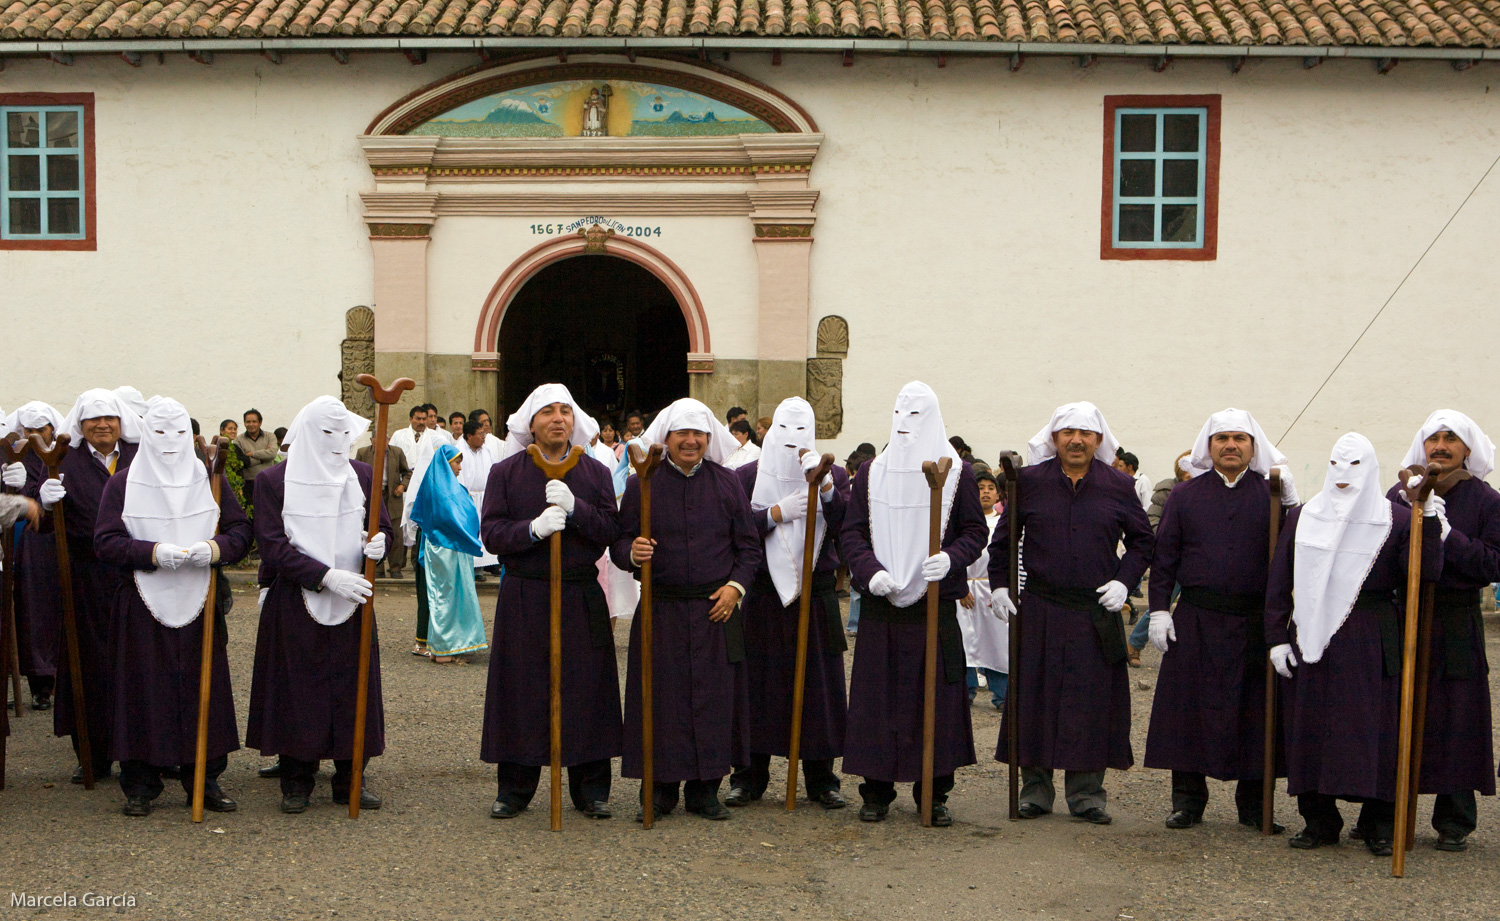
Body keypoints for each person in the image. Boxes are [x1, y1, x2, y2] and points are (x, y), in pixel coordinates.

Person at [1266, 433, 1445, 856]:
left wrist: (1429, 521)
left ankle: (1381, 824)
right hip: (1312, 633)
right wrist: (1275, 638)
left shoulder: (1398, 520)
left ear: (1372, 468)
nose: (1343, 475)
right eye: (1335, 464)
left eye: (1355, 465)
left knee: (1377, 729)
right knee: (1311, 726)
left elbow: (1426, 575)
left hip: (1372, 634)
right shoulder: (1304, 516)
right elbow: (1279, 581)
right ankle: (1319, 820)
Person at [991, 402, 1153, 825]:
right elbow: (1003, 542)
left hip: (1093, 611)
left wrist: (1124, 580)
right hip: (1040, 608)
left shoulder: (1119, 486)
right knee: (1035, 698)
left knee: (1090, 702)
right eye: (1067, 432)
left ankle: (1086, 795)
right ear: (1054, 438)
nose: (1076, 440)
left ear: (1099, 439)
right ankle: (1035, 792)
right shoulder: (1028, 482)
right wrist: (1001, 586)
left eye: (1085, 433)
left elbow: (1142, 541)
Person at [1142, 409, 1299, 832]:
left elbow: (1295, 553)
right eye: (1222, 438)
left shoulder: (1272, 495)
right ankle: (1188, 803)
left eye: (1240, 439)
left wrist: (1293, 508)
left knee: (1255, 712)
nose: (1230, 445)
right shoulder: (1185, 496)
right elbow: (1165, 557)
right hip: (1197, 618)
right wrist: (1158, 608)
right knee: (1188, 711)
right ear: (1208, 447)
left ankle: (1254, 807)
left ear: (1254, 447)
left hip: (1254, 621)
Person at [94, 398, 253, 817]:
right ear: (145, 433)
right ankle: (141, 783)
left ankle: (204, 777)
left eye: (179, 433)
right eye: (160, 432)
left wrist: (214, 549)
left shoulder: (210, 479)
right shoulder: (123, 484)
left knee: (205, 688)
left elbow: (240, 531)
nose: (169, 443)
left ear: (191, 435)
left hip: (200, 601)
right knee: (143, 689)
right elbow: (106, 542)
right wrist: (152, 552)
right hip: (142, 603)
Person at [840, 382, 987, 826]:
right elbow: (852, 532)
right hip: (883, 604)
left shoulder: (956, 472)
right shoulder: (870, 473)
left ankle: (934, 791)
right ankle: (876, 790)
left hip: (934, 604)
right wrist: (870, 572)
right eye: (899, 414)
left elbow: (974, 532)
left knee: (936, 698)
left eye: (916, 416)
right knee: (876, 698)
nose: (906, 425)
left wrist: (951, 558)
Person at [610, 398, 761, 821]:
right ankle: (659, 790)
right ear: (668, 438)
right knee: (661, 699)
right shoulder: (644, 482)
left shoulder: (728, 483)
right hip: (662, 609)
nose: (691, 441)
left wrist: (735, 588)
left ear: (708, 438)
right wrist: (632, 553)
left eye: (698, 435)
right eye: (682, 434)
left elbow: (748, 549)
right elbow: (620, 542)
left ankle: (705, 790)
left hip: (716, 611)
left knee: (714, 701)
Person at [244, 396, 393, 815]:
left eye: (343, 433)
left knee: (352, 685)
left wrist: (381, 544)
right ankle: (297, 778)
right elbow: (272, 546)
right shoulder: (274, 481)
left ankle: (351, 776)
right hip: (296, 598)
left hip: (355, 598)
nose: (336, 442)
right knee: (298, 688)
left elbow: (380, 524)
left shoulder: (363, 474)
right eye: (327, 433)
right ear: (308, 432)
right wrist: (325, 576)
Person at [480, 384, 620, 819]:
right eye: (547, 412)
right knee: (521, 686)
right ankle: (516, 787)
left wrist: (576, 507)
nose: (558, 419)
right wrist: (533, 530)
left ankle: (590, 788)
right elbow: (492, 534)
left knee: (586, 687)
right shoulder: (506, 473)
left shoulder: (594, 473)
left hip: (579, 591)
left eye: (565, 411)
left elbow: (610, 532)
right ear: (530, 422)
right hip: (526, 591)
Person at [727, 397, 851, 810]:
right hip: (762, 594)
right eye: (784, 431)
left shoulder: (832, 475)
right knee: (756, 686)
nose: (792, 442)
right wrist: (774, 514)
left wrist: (828, 491)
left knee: (819, 687)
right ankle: (748, 777)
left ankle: (821, 778)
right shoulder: (746, 477)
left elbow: (849, 527)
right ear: (768, 432)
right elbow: (734, 530)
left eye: (802, 432)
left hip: (815, 594)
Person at [1387, 410, 1499, 852]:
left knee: (1457, 720)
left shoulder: (1487, 501)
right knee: (1398, 713)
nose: (1440, 445)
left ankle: (1454, 820)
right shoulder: (1400, 494)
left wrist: (1447, 535)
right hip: (1406, 615)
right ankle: (1389, 812)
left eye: (1451, 438)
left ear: (1467, 449)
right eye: (1433, 437)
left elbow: (1494, 563)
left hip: (1456, 620)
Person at [33, 389, 143, 783]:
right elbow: (44, 526)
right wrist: (44, 502)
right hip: (87, 581)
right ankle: (93, 754)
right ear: (80, 426)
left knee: (139, 666)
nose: (102, 426)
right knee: (91, 666)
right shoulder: (65, 462)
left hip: (138, 576)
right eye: (94, 420)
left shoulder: (139, 456)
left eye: (109, 419)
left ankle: (145, 752)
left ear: (121, 422)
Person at [6, 400, 65, 711]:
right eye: (28, 430)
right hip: (34, 544)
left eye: (39, 429)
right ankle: (40, 684)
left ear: (52, 429)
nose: (33, 435)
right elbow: (12, 504)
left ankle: (61, 680)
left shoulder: (65, 454)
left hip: (65, 542)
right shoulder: (13, 456)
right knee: (34, 612)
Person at [408, 443, 488, 664]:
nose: (460, 467)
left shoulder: (452, 487)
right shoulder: (436, 488)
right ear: (445, 462)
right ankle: (444, 648)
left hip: (456, 550)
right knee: (444, 597)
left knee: (454, 596)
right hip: (444, 551)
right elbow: (443, 519)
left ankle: (447, 644)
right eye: (457, 461)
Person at [960, 470, 1007, 710]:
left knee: (995, 642)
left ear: (998, 493)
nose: (986, 492)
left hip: (991, 588)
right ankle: (965, 691)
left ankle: (1001, 695)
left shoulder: (1002, 523)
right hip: (966, 588)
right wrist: (959, 586)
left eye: (991, 487)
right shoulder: (963, 521)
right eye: (980, 488)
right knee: (966, 641)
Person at [355, 437, 412, 578]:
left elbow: (407, 473)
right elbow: (357, 473)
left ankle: (395, 567)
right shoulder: (363, 452)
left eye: (384, 441)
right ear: (371, 441)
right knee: (374, 530)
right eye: (376, 441)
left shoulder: (397, 452)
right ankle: (377, 567)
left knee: (395, 533)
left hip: (392, 495)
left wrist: (402, 485)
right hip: (373, 495)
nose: (380, 444)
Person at [841, 443, 878, 637]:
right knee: (857, 588)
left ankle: (858, 623)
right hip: (859, 542)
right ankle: (854, 624)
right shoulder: (854, 484)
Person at [457, 420, 502, 575]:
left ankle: (491, 563)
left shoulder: (487, 451)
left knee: (486, 530)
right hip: (468, 498)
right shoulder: (459, 450)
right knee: (471, 532)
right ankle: (474, 567)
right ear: (469, 436)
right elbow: (457, 475)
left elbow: (495, 471)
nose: (484, 437)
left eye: (484, 434)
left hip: (485, 497)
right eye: (481, 434)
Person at [236, 409, 278, 507]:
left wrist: (251, 454)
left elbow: (272, 453)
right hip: (248, 482)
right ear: (244, 423)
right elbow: (243, 461)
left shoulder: (270, 436)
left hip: (268, 481)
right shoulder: (239, 440)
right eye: (248, 422)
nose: (251, 424)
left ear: (260, 423)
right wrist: (264, 457)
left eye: (254, 421)